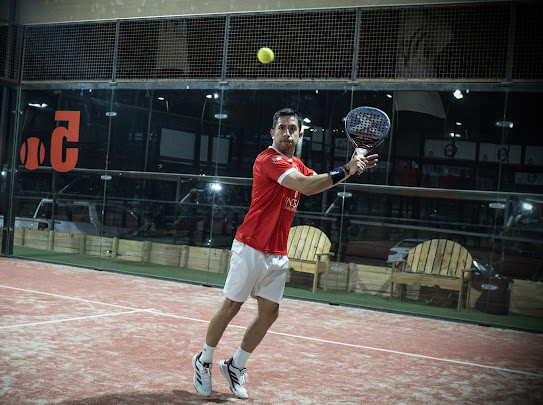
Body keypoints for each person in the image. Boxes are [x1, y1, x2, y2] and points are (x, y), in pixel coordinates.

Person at [192, 107, 378, 399]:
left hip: (277, 251)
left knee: (270, 313)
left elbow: (318, 183)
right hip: (250, 245)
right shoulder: (268, 160)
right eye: (282, 128)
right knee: (231, 306)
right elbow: (305, 185)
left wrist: (352, 168)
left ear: (300, 135)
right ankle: (203, 360)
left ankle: (234, 365)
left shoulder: (297, 164)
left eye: (292, 129)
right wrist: (348, 169)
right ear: (273, 132)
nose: (287, 133)